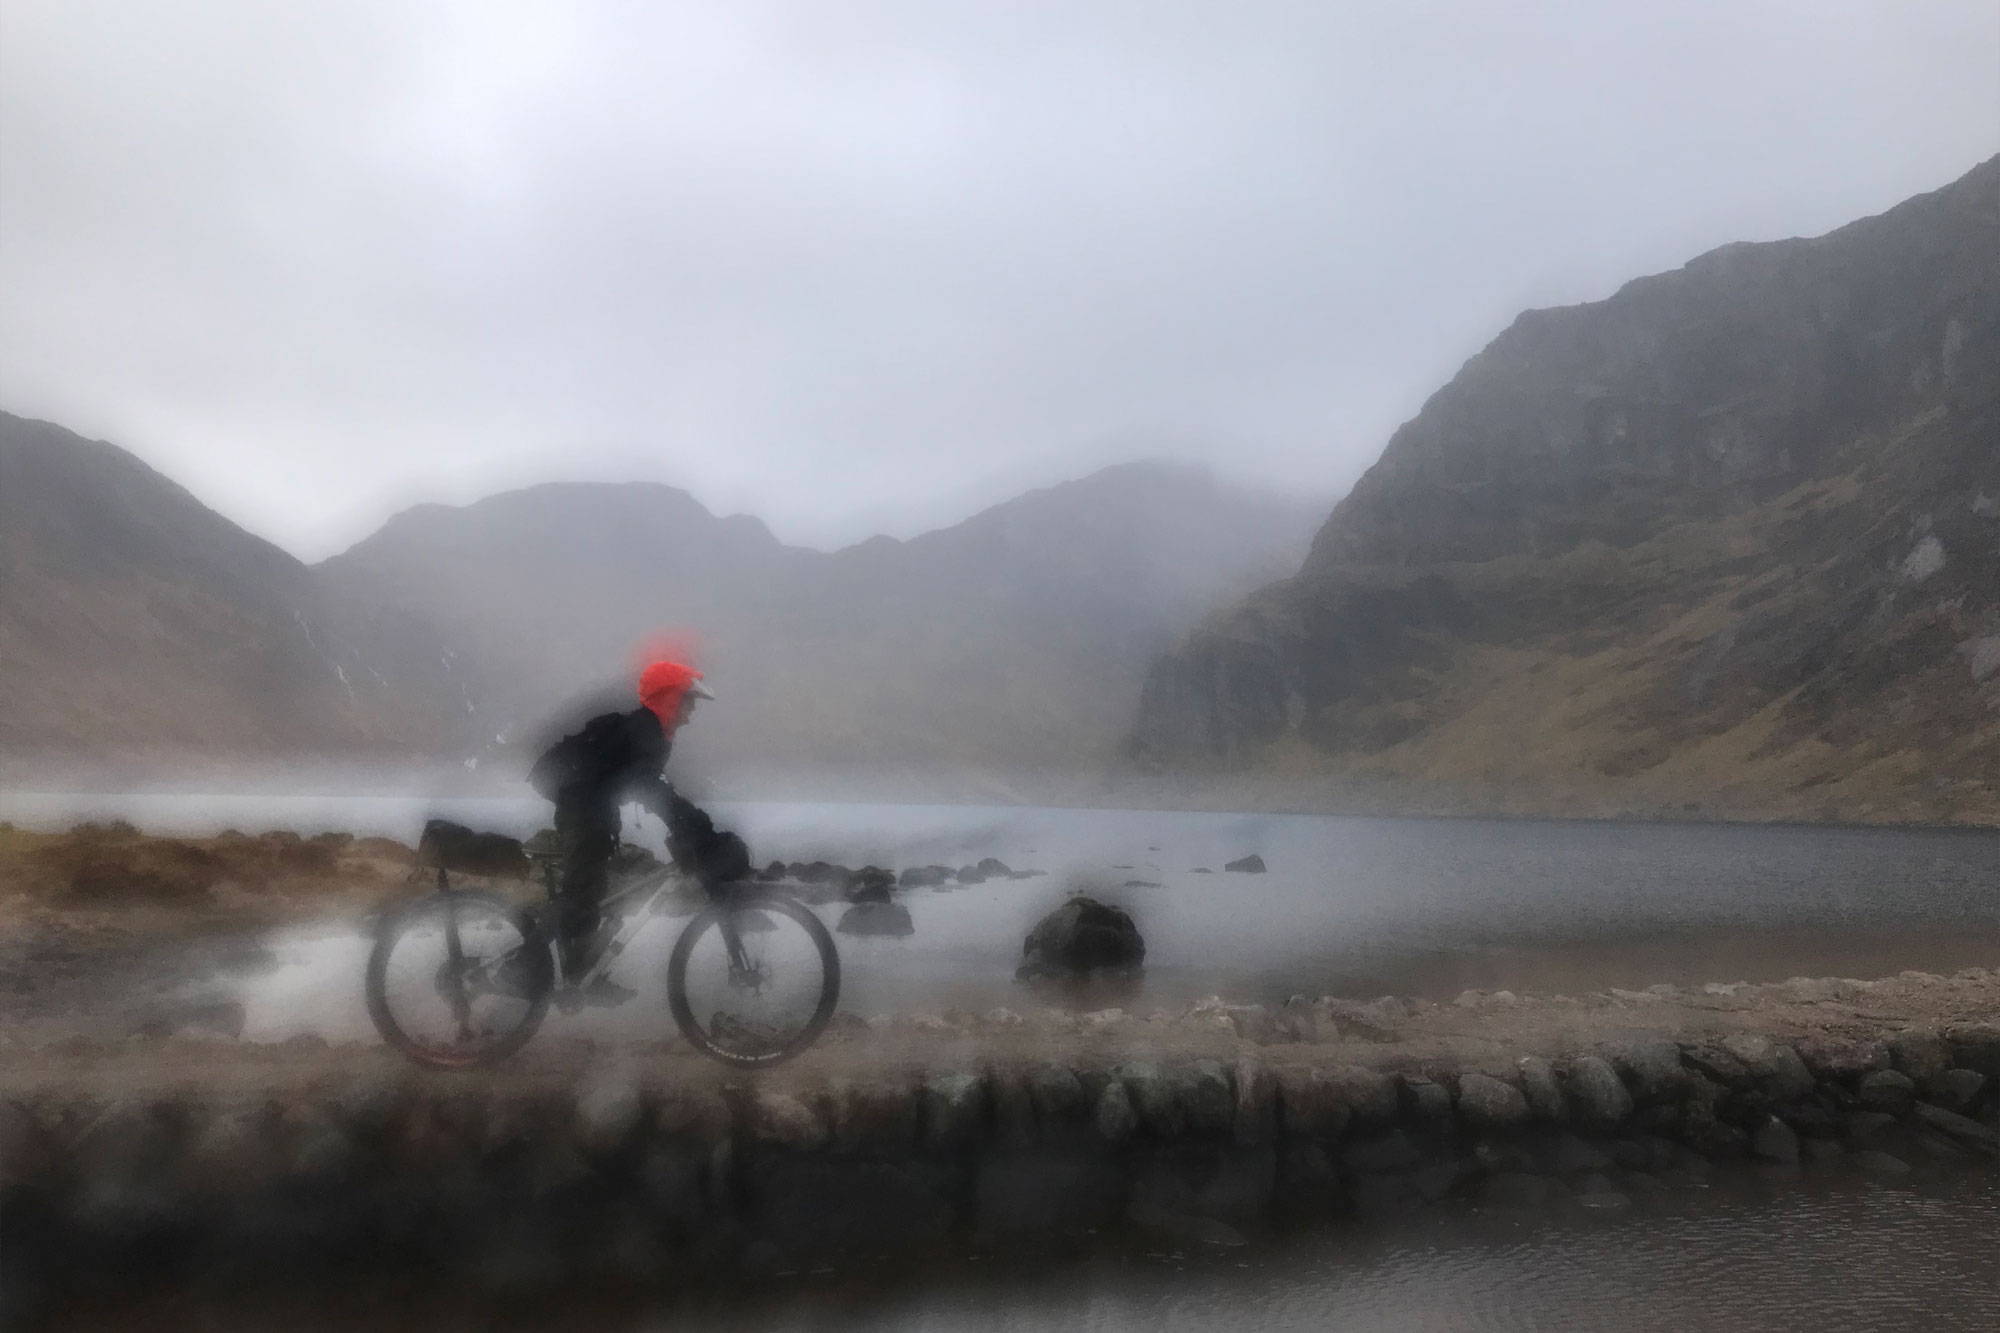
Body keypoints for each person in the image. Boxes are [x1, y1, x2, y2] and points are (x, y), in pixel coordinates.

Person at [528, 659, 752, 1003]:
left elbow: (655, 791)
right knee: (581, 893)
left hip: (592, 808)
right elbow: (655, 791)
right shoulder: (643, 732)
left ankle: (579, 971)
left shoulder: (650, 733)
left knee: (597, 892)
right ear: (669, 699)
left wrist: (694, 829)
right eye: (687, 703)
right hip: (580, 806)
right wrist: (703, 834)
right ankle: (518, 969)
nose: (690, 714)